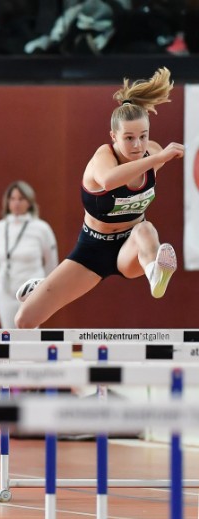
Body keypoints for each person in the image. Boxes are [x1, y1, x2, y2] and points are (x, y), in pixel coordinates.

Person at [14, 67, 181, 328]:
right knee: (24, 320)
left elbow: (157, 155)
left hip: (131, 250)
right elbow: (109, 180)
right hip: (93, 249)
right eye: (128, 138)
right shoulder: (103, 157)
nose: (137, 145)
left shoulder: (153, 153)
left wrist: (157, 156)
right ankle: (43, 287)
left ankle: (155, 273)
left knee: (145, 229)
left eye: (143, 136)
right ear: (114, 137)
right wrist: (159, 159)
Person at [0, 181, 58, 329]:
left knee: (29, 335)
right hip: (5, 291)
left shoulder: (41, 228)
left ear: (29, 202)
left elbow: (51, 264)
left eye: (21, 199)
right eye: (12, 199)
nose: (16, 203)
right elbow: (1, 261)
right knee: (8, 335)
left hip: (31, 293)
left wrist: (45, 291)